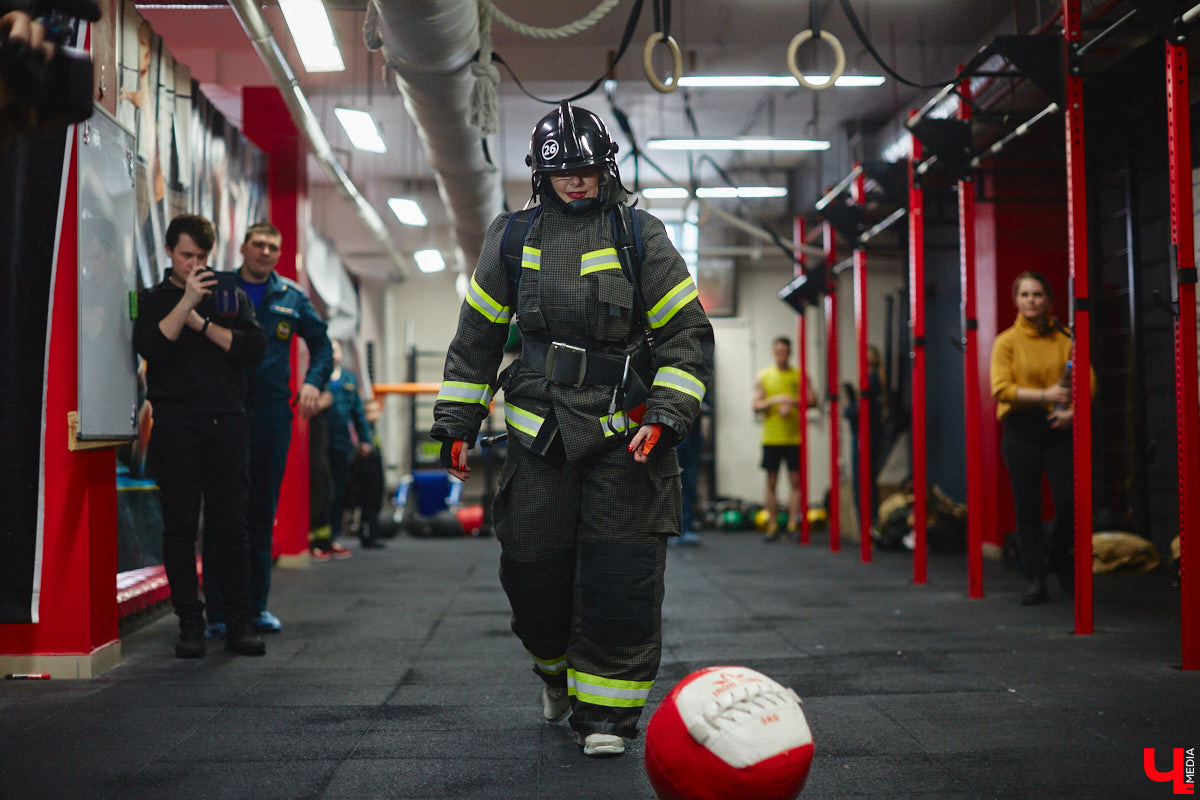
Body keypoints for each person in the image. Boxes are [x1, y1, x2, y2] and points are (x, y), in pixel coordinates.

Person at [430, 102, 713, 758]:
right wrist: (456, 422)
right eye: (563, 172)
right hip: (539, 439)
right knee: (533, 580)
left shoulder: (640, 236)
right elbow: (474, 338)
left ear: (605, 166)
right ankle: (554, 672)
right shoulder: (511, 237)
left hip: (625, 439)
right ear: (541, 174)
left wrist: (668, 415)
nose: (577, 182)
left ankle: (606, 718)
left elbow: (684, 335)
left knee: (621, 579)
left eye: (586, 170)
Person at [133, 214, 266, 658]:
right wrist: (185, 302)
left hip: (226, 419)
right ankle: (190, 623)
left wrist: (204, 324)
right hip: (175, 423)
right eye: (187, 255)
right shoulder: (153, 299)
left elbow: (253, 348)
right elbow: (152, 347)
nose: (195, 264)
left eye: (202, 257)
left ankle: (239, 622)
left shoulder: (228, 293)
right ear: (170, 252)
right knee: (180, 526)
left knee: (232, 526)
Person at [203, 221, 333, 638]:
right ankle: (218, 614)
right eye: (258, 244)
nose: (264, 252)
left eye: (272, 247)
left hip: (271, 415)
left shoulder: (290, 297)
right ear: (243, 247)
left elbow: (323, 345)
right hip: (221, 410)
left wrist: (313, 382)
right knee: (222, 512)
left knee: (260, 511)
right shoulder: (215, 288)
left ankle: (255, 607)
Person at [990, 270, 1093, 605]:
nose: (1031, 301)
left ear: (1049, 300)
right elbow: (1000, 389)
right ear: (1016, 300)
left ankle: (1060, 558)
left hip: (1057, 427)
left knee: (1068, 503)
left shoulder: (1066, 339)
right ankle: (1033, 577)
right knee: (1028, 507)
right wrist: (1045, 394)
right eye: (1024, 295)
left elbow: (1087, 381)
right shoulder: (1006, 342)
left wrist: (1073, 413)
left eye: (1037, 295)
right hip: (1021, 428)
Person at [753, 336, 815, 542]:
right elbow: (756, 404)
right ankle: (772, 525)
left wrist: (793, 402)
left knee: (795, 481)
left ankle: (791, 524)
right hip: (772, 437)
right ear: (774, 352)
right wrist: (776, 400)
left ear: (790, 353)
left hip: (794, 438)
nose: (782, 356)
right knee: (771, 481)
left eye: (785, 352)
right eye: (778, 352)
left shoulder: (799, 375)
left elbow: (813, 399)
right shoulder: (764, 375)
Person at [323, 340, 374, 552]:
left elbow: (358, 414)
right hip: (320, 444)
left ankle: (332, 536)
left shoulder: (348, 379)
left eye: (336, 349)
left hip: (341, 444)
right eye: (329, 348)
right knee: (322, 491)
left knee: (339, 491)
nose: (333, 352)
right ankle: (317, 539)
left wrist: (365, 440)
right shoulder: (318, 377)